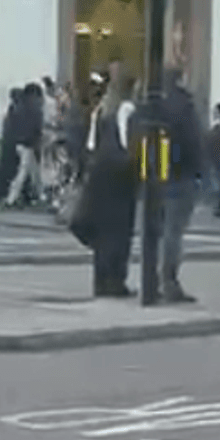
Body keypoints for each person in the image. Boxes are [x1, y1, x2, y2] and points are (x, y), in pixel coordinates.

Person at [76, 74, 139, 298]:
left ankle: (101, 280)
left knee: (103, 231)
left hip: (99, 173)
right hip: (119, 174)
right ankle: (116, 280)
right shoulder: (127, 110)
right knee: (120, 231)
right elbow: (127, 142)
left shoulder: (100, 110)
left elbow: (90, 144)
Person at [159, 68, 204, 303]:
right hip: (182, 174)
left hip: (160, 174)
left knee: (162, 229)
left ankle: (157, 279)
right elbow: (193, 140)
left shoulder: (158, 103)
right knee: (174, 231)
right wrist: (198, 170)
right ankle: (169, 280)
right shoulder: (184, 105)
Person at [5, 82, 45, 208]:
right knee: (24, 171)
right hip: (29, 142)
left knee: (34, 171)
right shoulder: (36, 107)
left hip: (20, 141)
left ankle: (40, 195)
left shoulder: (19, 106)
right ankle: (11, 198)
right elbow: (37, 126)